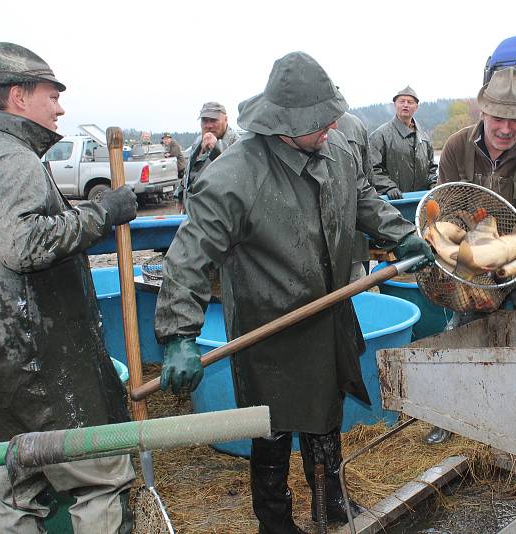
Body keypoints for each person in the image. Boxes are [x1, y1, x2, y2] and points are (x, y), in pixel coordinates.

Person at [153, 51, 433, 533]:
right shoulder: (236, 174)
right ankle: (275, 519)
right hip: (270, 327)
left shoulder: (337, 148)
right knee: (273, 424)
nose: (330, 127)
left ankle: (332, 502)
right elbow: (189, 254)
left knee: (327, 411)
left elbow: (362, 195)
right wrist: (179, 334)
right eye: (319, 122)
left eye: (330, 118)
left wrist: (399, 232)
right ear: (284, 123)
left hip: (328, 311)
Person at [0, 42, 137, 533]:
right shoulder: (13, 160)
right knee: (99, 479)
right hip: (42, 367)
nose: (61, 107)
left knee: (17, 493)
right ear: (18, 97)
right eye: (52, 95)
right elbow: (22, 244)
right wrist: (102, 213)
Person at [426, 67, 516, 446]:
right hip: (473, 247)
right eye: (499, 118)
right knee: (464, 328)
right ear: (483, 113)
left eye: (515, 120)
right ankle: (452, 414)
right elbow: (449, 204)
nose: (506, 128)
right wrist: (460, 243)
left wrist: (507, 256)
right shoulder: (456, 147)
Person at [369, 86, 437, 199]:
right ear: (395, 105)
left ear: (416, 107)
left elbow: (432, 169)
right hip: (392, 203)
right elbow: (372, 169)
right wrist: (389, 187)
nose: (405, 105)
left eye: (410, 102)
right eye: (402, 101)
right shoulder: (379, 136)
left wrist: (433, 184)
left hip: (421, 201)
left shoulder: (424, 138)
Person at [176, 101, 239, 212]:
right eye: (204, 120)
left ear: (226, 120)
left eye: (214, 120)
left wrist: (217, 148)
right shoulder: (198, 140)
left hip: (218, 213)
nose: (208, 125)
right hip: (193, 210)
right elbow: (189, 171)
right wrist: (180, 194)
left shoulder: (237, 143)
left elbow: (237, 175)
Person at [336, 111, 374, 281]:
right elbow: (369, 175)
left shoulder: (356, 124)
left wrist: (401, 233)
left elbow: (364, 185)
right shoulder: (358, 124)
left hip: (352, 229)